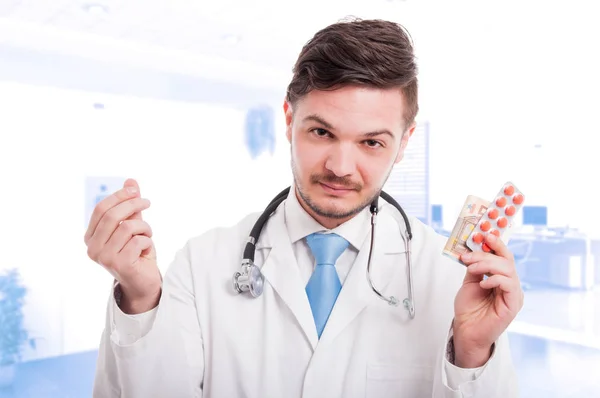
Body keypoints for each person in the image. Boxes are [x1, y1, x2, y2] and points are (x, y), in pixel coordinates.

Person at [86, 17, 522, 397]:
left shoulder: (448, 280)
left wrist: (470, 354)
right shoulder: (203, 265)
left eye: (371, 142)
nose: (340, 167)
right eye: (321, 133)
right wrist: (140, 297)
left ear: (404, 143)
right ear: (290, 119)